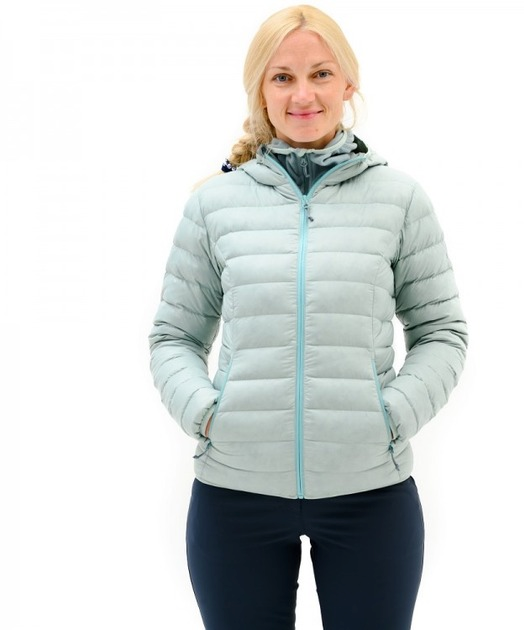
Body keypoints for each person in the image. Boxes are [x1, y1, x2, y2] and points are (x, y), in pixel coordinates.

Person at [149, 5, 468, 629]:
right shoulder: (214, 205)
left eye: (321, 73)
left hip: (370, 493)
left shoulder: (399, 199)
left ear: (348, 83)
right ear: (260, 91)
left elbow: (441, 332)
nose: (303, 95)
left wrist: (390, 415)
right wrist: (207, 413)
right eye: (283, 77)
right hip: (235, 494)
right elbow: (174, 336)